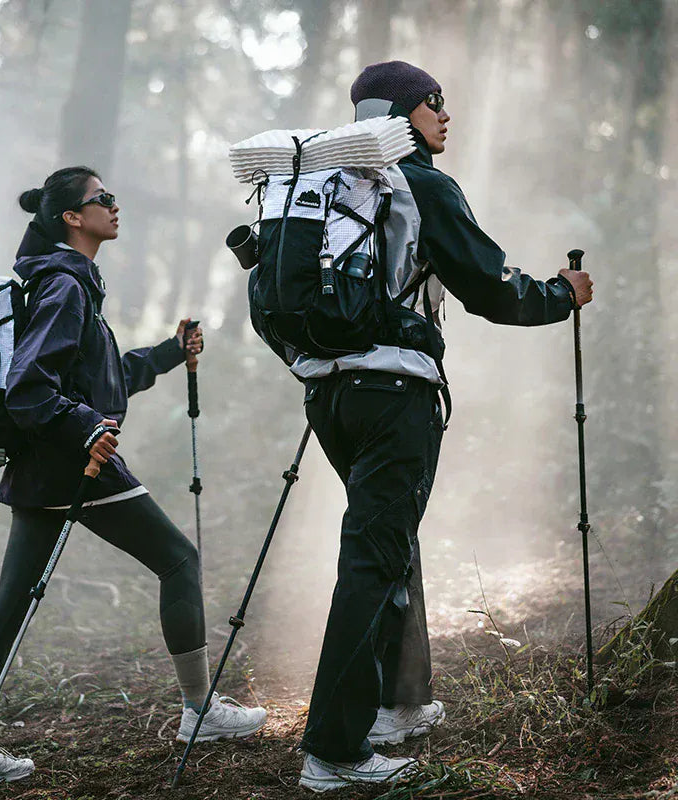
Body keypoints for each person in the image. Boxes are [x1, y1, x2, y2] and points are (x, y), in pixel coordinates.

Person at [294, 62, 594, 792]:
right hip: (395, 392)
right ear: (403, 113)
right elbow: (490, 287)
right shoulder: (417, 184)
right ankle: (333, 752)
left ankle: (401, 702)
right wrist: (561, 294)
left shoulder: (327, 187)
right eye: (433, 102)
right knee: (373, 555)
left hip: (327, 394)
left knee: (387, 540)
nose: (445, 114)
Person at [0, 166, 266, 789]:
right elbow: (28, 389)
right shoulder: (65, 285)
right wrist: (87, 427)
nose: (115, 207)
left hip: (42, 465)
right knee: (179, 560)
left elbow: (100, 378)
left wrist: (169, 353)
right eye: (103, 199)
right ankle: (200, 712)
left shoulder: (66, 283)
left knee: (11, 601)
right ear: (73, 217)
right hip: (77, 463)